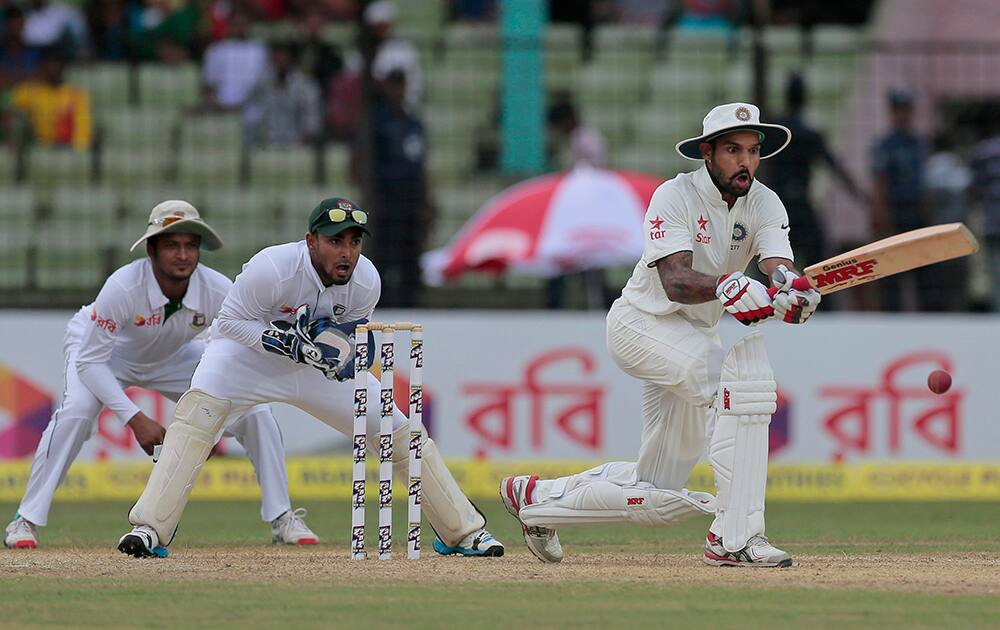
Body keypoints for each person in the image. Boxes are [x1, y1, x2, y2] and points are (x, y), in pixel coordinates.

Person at [500, 103, 821, 567]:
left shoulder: (765, 202)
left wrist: (790, 290)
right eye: (733, 150)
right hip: (642, 325)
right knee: (741, 386)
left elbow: (777, 264)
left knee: (658, 492)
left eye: (753, 151)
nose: (745, 162)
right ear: (707, 153)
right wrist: (729, 285)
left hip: (694, 336)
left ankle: (538, 499)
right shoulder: (674, 196)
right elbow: (676, 280)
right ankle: (735, 539)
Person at [116, 196, 503, 559]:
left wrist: (347, 354)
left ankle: (461, 531)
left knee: (392, 425)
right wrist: (284, 342)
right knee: (197, 414)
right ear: (311, 241)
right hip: (245, 356)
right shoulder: (273, 267)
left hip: (313, 366)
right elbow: (230, 323)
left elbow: (353, 338)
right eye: (335, 241)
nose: (346, 252)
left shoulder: (366, 281)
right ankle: (151, 528)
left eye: (354, 242)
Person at [5, 200, 317, 550]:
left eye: (190, 245)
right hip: (106, 356)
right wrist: (135, 419)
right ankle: (25, 520)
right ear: (151, 249)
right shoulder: (123, 287)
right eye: (172, 245)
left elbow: (230, 355)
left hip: (174, 355)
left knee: (257, 412)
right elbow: (89, 363)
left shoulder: (218, 289)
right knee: (76, 412)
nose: (183, 255)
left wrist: (214, 423)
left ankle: (282, 517)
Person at [766, 73, 867, 269]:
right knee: (818, 266)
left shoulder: (773, 133)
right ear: (805, 98)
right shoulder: (810, 135)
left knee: (773, 267)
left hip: (776, 207)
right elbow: (835, 167)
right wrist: (862, 197)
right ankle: (820, 298)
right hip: (802, 206)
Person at [364, 69, 432, 308]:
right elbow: (366, 164)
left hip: (410, 199)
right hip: (387, 199)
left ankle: (410, 304)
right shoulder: (378, 123)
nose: (398, 91)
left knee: (410, 257)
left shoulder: (413, 123)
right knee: (384, 256)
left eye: (401, 85)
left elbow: (421, 164)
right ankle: (381, 306)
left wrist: (425, 200)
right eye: (394, 85)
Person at [870, 88, 928, 311]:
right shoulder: (886, 145)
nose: (903, 115)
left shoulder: (917, 143)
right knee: (892, 270)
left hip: (915, 210)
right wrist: (882, 215)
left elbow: (923, 182)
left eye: (906, 110)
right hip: (895, 210)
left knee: (922, 268)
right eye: (899, 110)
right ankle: (891, 314)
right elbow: (880, 182)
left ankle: (922, 313)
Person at [924, 133, 971, 311]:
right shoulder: (956, 165)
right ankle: (958, 309)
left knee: (939, 278)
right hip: (958, 229)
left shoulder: (929, 167)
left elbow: (926, 199)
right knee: (958, 278)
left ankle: (939, 310)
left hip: (937, 230)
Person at [242, 41, 321, 147]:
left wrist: (304, 138)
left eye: (284, 57)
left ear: (291, 59)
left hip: (297, 144)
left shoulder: (306, 85)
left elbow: (313, 118)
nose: (280, 61)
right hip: (266, 144)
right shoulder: (261, 85)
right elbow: (248, 111)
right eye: (277, 57)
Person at [10, 47, 92, 150]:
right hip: (40, 149)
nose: (54, 70)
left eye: (58, 65)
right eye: (50, 65)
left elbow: (83, 128)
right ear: (41, 67)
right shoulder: (31, 91)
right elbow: (12, 108)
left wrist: (77, 151)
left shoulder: (75, 94)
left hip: (69, 149)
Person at [200, 10, 267, 111]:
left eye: (243, 24)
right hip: (223, 108)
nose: (240, 28)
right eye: (236, 24)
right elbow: (209, 83)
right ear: (229, 25)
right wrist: (216, 105)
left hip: (253, 108)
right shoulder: (216, 50)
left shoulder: (259, 49)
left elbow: (264, 81)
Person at [968, 118, 1000, 312]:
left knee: (995, 275)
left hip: (992, 221)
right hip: (992, 222)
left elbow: (973, 188)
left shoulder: (982, 152)